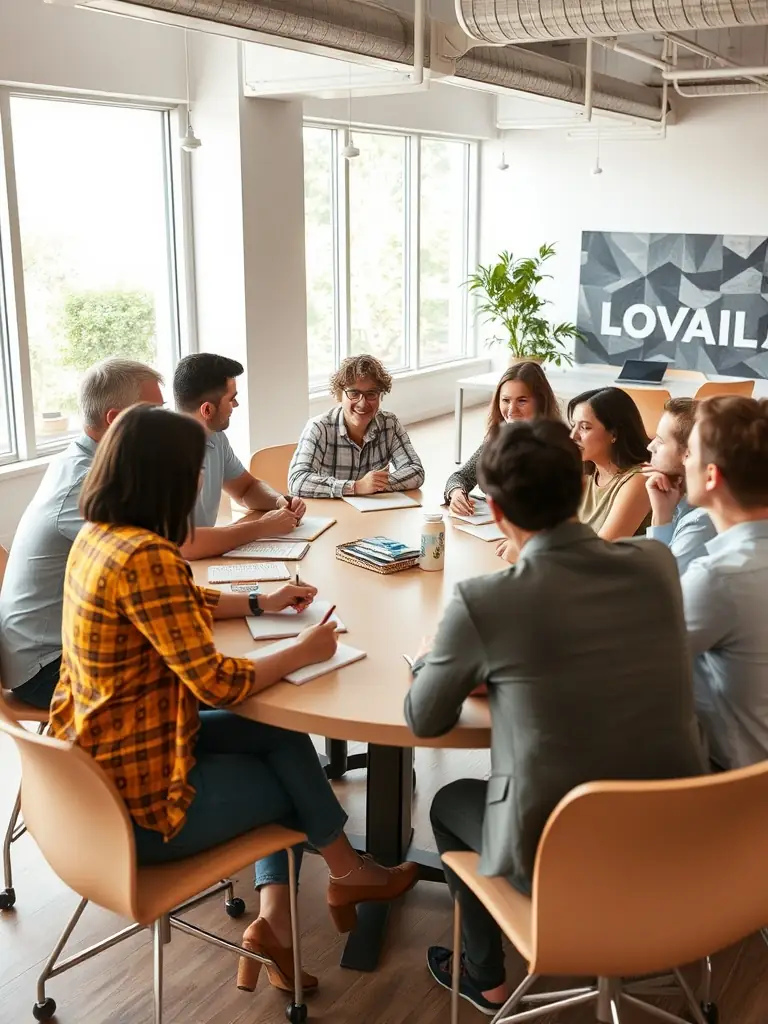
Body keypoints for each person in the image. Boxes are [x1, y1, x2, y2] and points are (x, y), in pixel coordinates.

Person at [48, 404, 418, 994]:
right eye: (193, 469)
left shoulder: (103, 538)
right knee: (298, 787)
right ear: (162, 476)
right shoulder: (149, 558)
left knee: (278, 733)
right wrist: (305, 648)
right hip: (137, 808)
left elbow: (180, 601)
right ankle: (339, 879)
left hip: (89, 773)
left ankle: (306, 904)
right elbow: (219, 683)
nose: (200, 480)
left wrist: (258, 602)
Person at [404, 419, 705, 1015]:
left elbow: (425, 719)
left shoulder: (487, 600)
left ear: (494, 509)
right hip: (681, 843)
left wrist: (439, 657)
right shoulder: (654, 563)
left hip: (561, 862)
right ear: (579, 486)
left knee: (449, 802)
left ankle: (486, 976)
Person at [0, 358, 164, 708]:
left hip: (58, 645)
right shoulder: (86, 483)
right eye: (155, 414)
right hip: (49, 667)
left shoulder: (81, 459)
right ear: (116, 419)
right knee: (200, 682)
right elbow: (150, 565)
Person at [680, 396, 768, 769]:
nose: (684, 460)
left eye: (690, 451)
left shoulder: (720, 578)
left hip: (730, 790)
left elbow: (632, 658)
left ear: (712, 475)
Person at [173, 353, 306, 559]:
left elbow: (246, 488)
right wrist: (262, 527)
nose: (236, 406)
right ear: (207, 409)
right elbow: (184, 544)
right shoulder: (163, 454)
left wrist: (279, 501)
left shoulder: (216, 438)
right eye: (232, 399)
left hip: (204, 562)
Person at [287, 354, 425, 498]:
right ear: (339, 395)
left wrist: (374, 485)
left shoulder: (389, 424)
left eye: (371, 394)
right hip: (333, 514)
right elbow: (297, 480)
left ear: (380, 396)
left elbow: (415, 471)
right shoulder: (319, 428)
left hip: (375, 515)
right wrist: (356, 487)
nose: (362, 403)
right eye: (354, 393)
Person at [444, 361, 562, 516]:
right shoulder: (496, 439)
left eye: (522, 401)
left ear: (540, 402)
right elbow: (460, 477)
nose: (512, 410)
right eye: (506, 400)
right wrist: (456, 492)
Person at [568, 386, 651, 539]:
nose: (573, 436)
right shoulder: (585, 473)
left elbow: (601, 551)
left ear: (614, 434)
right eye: (574, 425)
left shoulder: (638, 481)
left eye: (585, 427)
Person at [645, 397, 715, 574]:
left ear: (688, 454)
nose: (650, 447)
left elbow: (659, 582)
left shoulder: (701, 521)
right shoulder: (681, 499)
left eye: (660, 442)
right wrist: (662, 515)